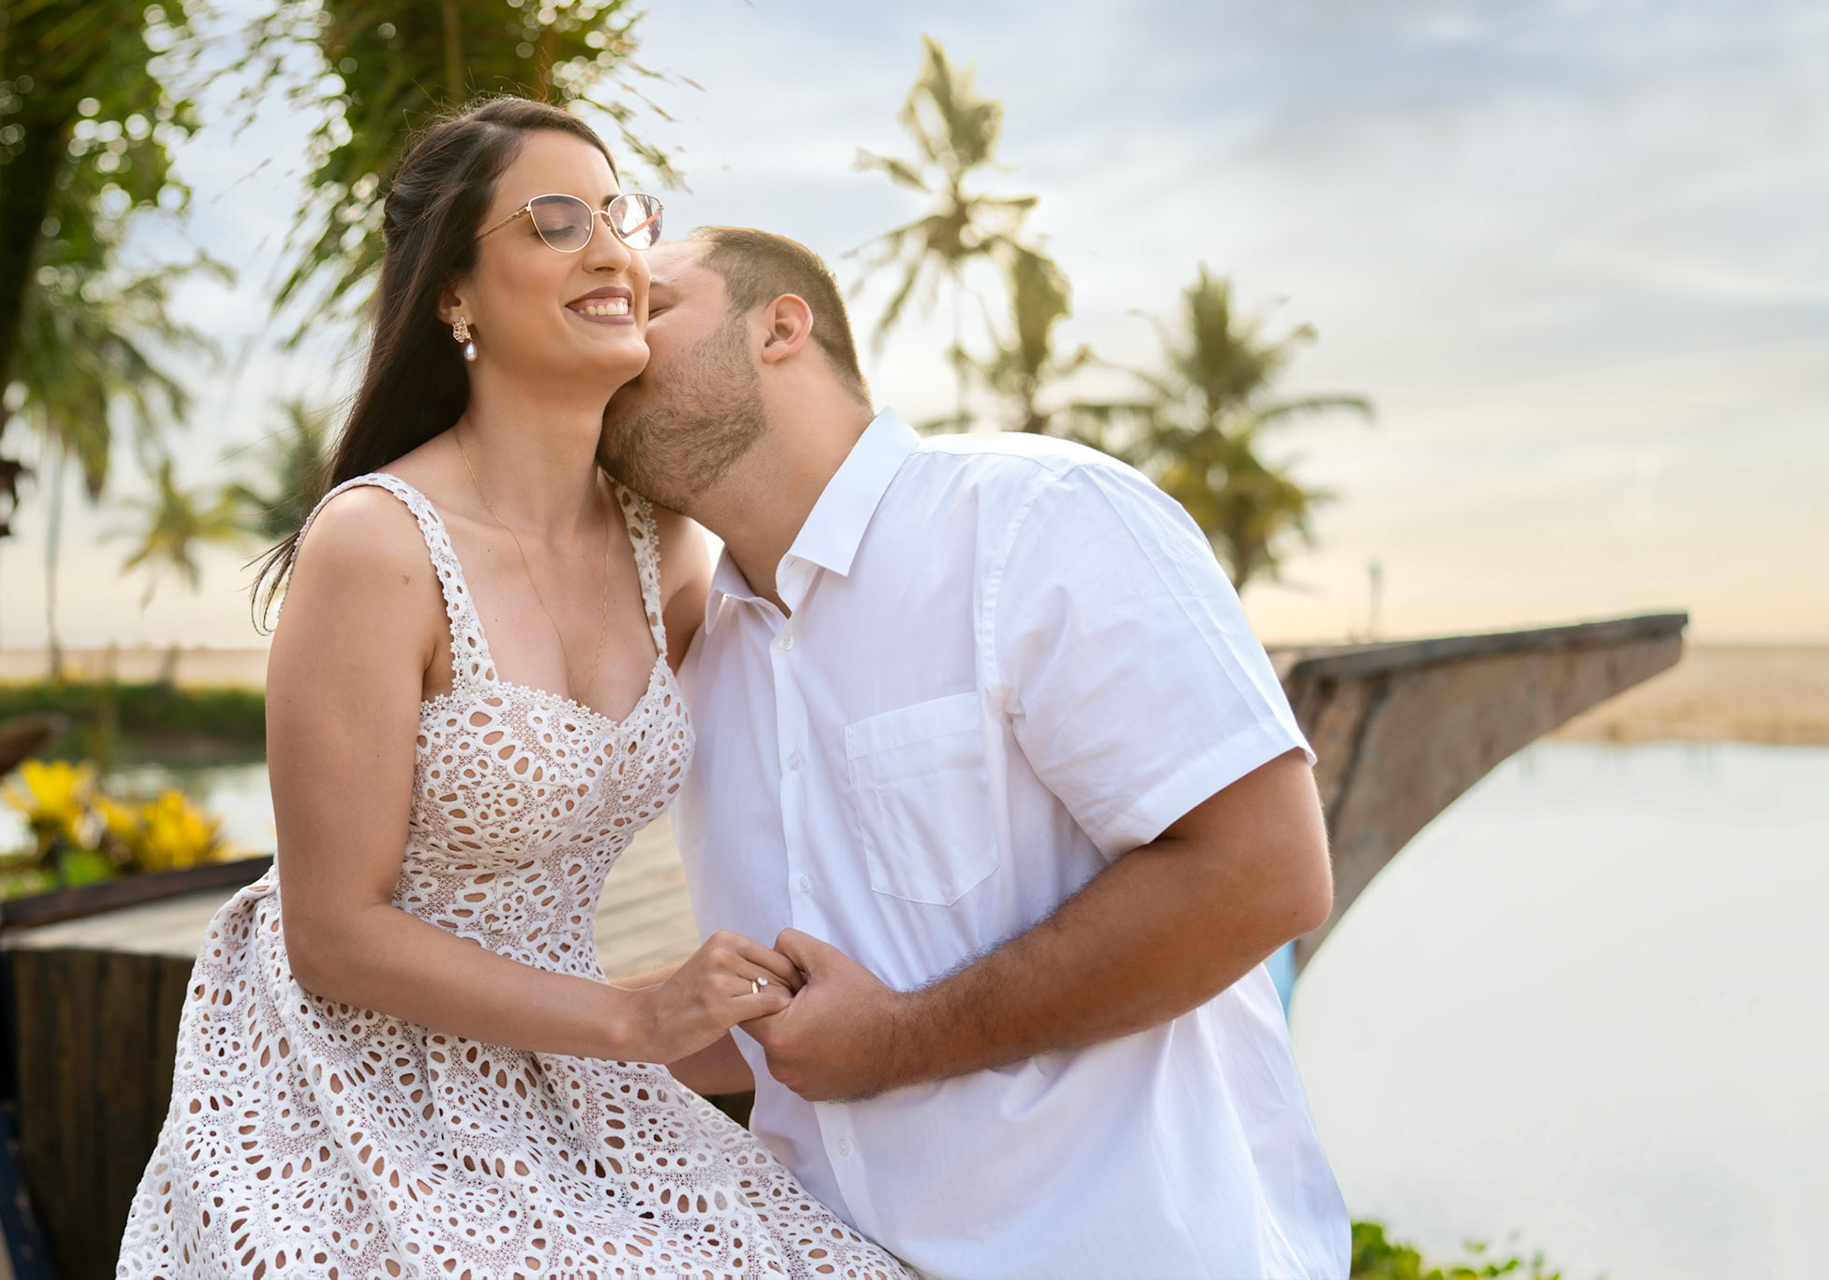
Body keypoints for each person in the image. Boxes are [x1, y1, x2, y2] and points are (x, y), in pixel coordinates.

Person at [117, 102, 908, 1280]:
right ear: (455, 297)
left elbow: (806, 717)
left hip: (562, 1061)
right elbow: (332, 931)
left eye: (619, 216)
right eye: (553, 221)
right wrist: (638, 1018)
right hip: (352, 1072)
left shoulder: (665, 542)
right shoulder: (378, 543)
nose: (611, 251)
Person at [598, 226, 1353, 1279]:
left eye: (653, 304)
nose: (613, 341)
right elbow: (803, 1030)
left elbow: (1263, 872)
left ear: (781, 326)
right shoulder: (701, 661)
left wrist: (898, 1036)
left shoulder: (1037, 519)